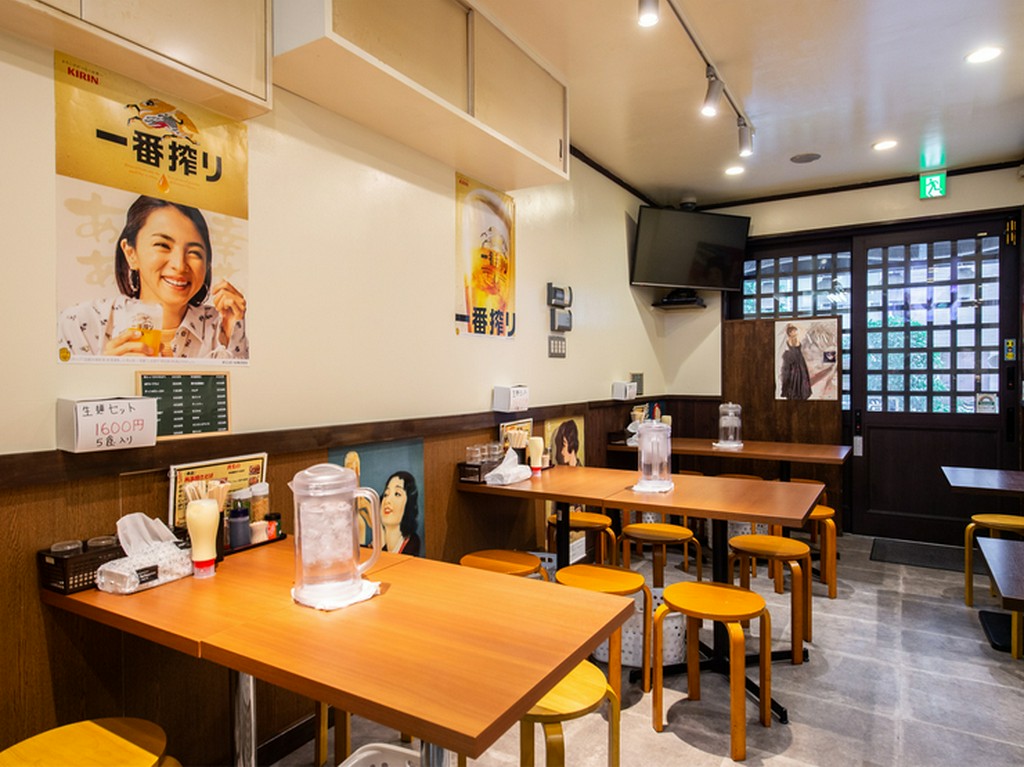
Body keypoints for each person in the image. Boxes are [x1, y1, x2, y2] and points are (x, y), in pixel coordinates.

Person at [58, 195, 248, 359]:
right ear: (131, 253)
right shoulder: (80, 322)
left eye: (194, 252)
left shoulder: (221, 326)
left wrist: (232, 336)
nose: (179, 265)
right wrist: (107, 370)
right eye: (163, 245)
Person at [380, 470, 421, 556]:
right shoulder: (381, 547)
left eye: (397, 494)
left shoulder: (412, 544)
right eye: (386, 494)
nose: (387, 500)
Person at [780, 323, 812, 400]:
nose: (795, 332)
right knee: (796, 375)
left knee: (799, 375)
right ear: (790, 333)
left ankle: (798, 392)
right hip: (795, 359)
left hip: (798, 358)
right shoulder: (791, 339)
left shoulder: (794, 338)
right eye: (793, 331)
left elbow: (803, 331)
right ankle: (796, 392)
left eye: (795, 331)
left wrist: (793, 326)